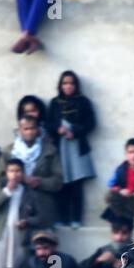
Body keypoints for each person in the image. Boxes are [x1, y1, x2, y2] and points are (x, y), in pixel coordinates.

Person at [46, 70, 96, 228]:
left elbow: (91, 123)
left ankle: (76, 219)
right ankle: (62, 218)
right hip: (60, 148)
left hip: (76, 147)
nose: (68, 86)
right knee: (61, 183)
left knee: (76, 184)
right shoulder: (55, 103)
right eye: (65, 83)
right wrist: (57, 129)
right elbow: (48, 123)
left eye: (71, 83)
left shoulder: (83, 102)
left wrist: (74, 131)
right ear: (60, 85)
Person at [0, 115, 64, 228]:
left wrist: (39, 182)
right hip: (13, 206)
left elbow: (58, 181)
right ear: (19, 130)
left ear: (38, 130)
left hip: (41, 207)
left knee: (41, 243)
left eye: (32, 128)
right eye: (26, 129)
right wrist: (19, 179)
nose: (29, 132)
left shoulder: (50, 150)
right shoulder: (8, 152)